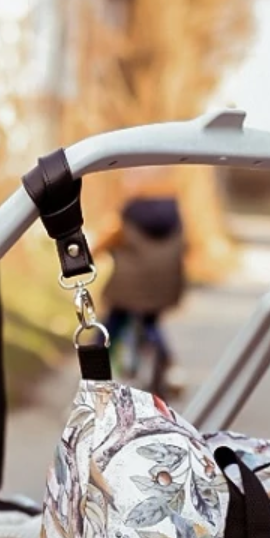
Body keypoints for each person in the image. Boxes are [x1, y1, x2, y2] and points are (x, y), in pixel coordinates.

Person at [94, 167, 188, 394]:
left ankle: (94, 368)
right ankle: (168, 365)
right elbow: (187, 247)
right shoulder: (174, 216)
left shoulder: (128, 214)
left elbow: (107, 240)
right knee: (151, 323)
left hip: (128, 287)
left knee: (111, 324)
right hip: (163, 285)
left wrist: (93, 253)